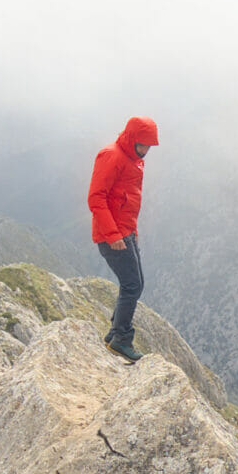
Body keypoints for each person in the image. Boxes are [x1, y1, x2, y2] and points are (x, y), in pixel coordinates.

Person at [87, 115, 160, 361]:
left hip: (125, 232)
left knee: (135, 283)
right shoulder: (112, 156)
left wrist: (132, 232)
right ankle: (120, 338)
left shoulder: (132, 159)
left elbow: (125, 201)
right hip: (112, 236)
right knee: (132, 285)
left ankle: (114, 334)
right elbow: (96, 198)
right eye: (143, 145)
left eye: (149, 146)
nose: (146, 150)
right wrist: (113, 235)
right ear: (131, 139)